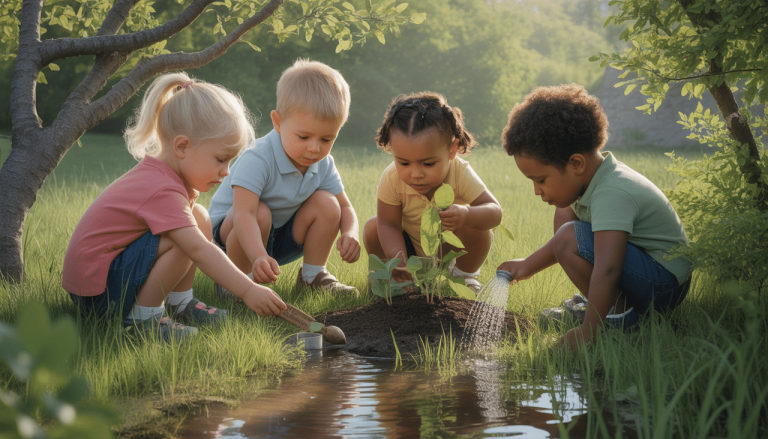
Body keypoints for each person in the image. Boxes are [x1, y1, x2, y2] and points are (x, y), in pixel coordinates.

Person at [62, 72, 286, 342]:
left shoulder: (164, 177)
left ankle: (180, 304)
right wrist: (248, 290)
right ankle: (143, 320)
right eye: (220, 159)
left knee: (198, 217)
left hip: (101, 280)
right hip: (98, 295)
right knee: (185, 239)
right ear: (182, 146)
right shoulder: (162, 188)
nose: (226, 172)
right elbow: (197, 249)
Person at [497, 83, 693, 351]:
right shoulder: (593, 181)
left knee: (568, 236)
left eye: (541, 180)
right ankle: (607, 307)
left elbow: (608, 267)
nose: (536, 191)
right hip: (651, 273)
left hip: (664, 285)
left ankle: (618, 319)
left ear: (576, 164)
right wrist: (528, 265)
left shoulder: (612, 192)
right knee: (565, 216)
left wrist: (588, 331)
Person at [208, 59, 360, 295]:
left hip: (277, 236)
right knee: (260, 211)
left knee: (328, 204)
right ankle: (236, 281)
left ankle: (313, 276)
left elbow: (345, 208)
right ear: (278, 122)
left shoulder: (322, 163)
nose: (314, 148)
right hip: (232, 237)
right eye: (303, 137)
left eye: (326, 139)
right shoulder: (258, 158)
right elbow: (244, 214)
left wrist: (351, 233)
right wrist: (257, 255)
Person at [363, 92, 502, 293]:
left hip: (447, 250)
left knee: (478, 226)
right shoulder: (391, 178)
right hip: (408, 250)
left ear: (452, 150)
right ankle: (397, 278)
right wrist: (397, 259)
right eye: (404, 162)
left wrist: (466, 215)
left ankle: (464, 277)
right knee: (372, 227)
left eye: (428, 163)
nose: (416, 174)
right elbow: (388, 224)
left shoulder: (460, 172)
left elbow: (495, 212)